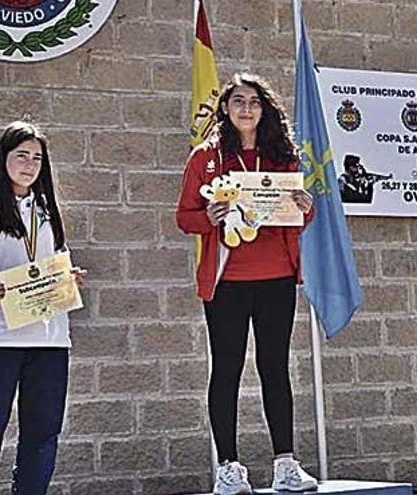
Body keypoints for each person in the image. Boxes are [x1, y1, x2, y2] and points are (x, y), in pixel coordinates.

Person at [175, 72, 318, 495]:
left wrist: (305, 209)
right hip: (227, 282)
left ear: (265, 109)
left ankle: (286, 465)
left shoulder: (283, 157)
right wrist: (209, 218)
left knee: (276, 369)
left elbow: (295, 216)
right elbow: (184, 217)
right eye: (238, 101)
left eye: (254, 101)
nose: (246, 108)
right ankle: (229, 467)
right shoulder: (206, 158)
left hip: (276, 277)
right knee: (227, 369)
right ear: (225, 108)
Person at [0, 121, 86, 494]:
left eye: (37, 158)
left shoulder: (47, 208)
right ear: (3, 157)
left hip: (51, 340)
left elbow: (54, 262)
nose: (29, 165)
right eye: (21, 155)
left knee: (42, 434)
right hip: (0, 339)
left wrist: (69, 277)